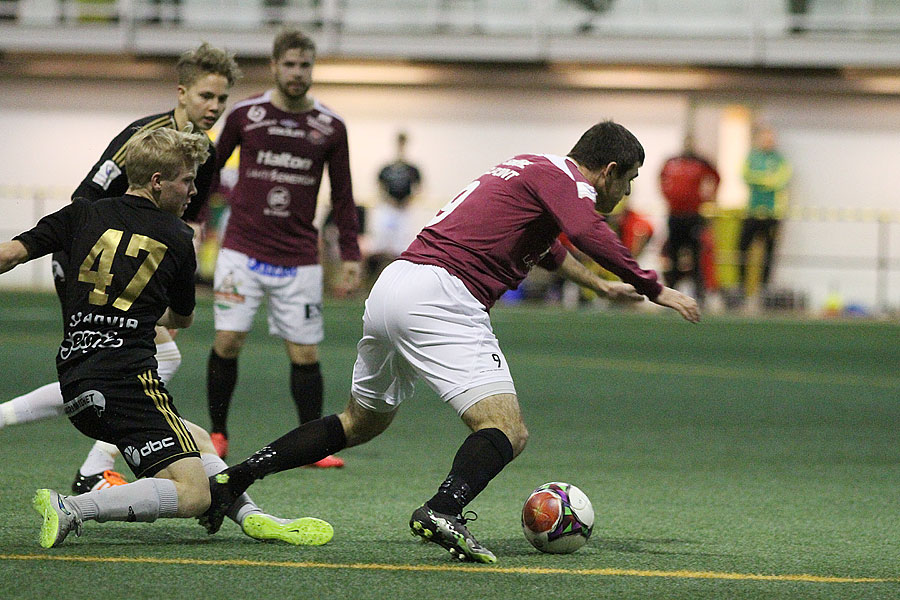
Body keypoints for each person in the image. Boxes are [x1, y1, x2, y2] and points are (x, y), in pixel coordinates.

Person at [199, 121, 700, 563]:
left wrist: (597, 285)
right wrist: (650, 285)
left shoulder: (529, 167)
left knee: (358, 423)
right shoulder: (570, 183)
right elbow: (584, 229)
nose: (627, 191)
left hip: (396, 285)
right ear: (608, 170)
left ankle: (234, 479)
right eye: (629, 180)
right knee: (507, 428)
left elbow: (546, 245)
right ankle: (443, 509)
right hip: (443, 294)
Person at [0, 127, 332, 548]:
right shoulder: (177, 237)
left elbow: (9, 254)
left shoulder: (82, 213)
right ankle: (73, 507)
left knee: (194, 437)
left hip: (76, 377)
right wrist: (155, 315)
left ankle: (250, 516)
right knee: (192, 495)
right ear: (158, 181)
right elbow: (184, 317)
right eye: (187, 180)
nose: (194, 191)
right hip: (127, 380)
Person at [0, 42, 242, 496]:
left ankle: (97, 461)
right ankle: (95, 464)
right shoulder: (144, 138)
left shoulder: (202, 151)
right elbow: (85, 198)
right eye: (206, 96)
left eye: (222, 99)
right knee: (125, 358)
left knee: (126, 361)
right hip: (87, 259)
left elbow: (183, 218)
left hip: (137, 261)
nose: (214, 107)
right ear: (182, 93)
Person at [206, 28, 362, 465]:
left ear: (313, 68)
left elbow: (344, 195)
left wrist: (350, 254)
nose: (297, 73)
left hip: (298, 258)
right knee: (229, 340)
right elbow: (211, 173)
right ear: (274, 66)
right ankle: (218, 434)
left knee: (305, 352)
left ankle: (312, 446)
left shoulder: (331, 126)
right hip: (242, 250)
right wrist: (196, 219)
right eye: (289, 64)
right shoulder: (244, 115)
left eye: (305, 65)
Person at [659, 135, 720, 307]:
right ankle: (671, 293)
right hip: (675, 216)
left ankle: (699, 294)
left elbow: (716, 177)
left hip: (693, 216)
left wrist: (708, 197)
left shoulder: (701, 162)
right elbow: (661, 178)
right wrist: (668, 197)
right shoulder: (672, 161)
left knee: (696, 255)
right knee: (673, 255)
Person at [738, 125, 791, 306]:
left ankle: (764, 289)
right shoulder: (752, 156)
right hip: (752, 211)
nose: (768, 141)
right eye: (765, 138)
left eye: (771, 138)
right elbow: (746, 176)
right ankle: (741, 289)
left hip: (772, 214)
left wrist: (761, 179)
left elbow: (780, 180)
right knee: (742, 249)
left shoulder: (780, 160)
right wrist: (766, 179)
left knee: (768, 253)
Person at [369, 131, 422, 275]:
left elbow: (418, 188)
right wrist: (389, 201)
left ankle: (399, 275)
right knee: (382, 243)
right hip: (388, 208)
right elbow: (379, 187)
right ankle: (375, 276)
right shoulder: (386, 168)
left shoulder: (412, 169)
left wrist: (407, 201)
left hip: (404, 210)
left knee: (402, 245)